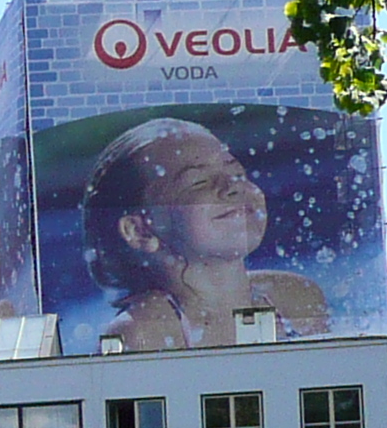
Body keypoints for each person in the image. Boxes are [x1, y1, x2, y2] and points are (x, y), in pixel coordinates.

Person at [80, 116, 330, 349]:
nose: (233, 186)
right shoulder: (144, 330)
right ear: (141, 231)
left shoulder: (295, 297)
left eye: (237, 173)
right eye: (198, 182)